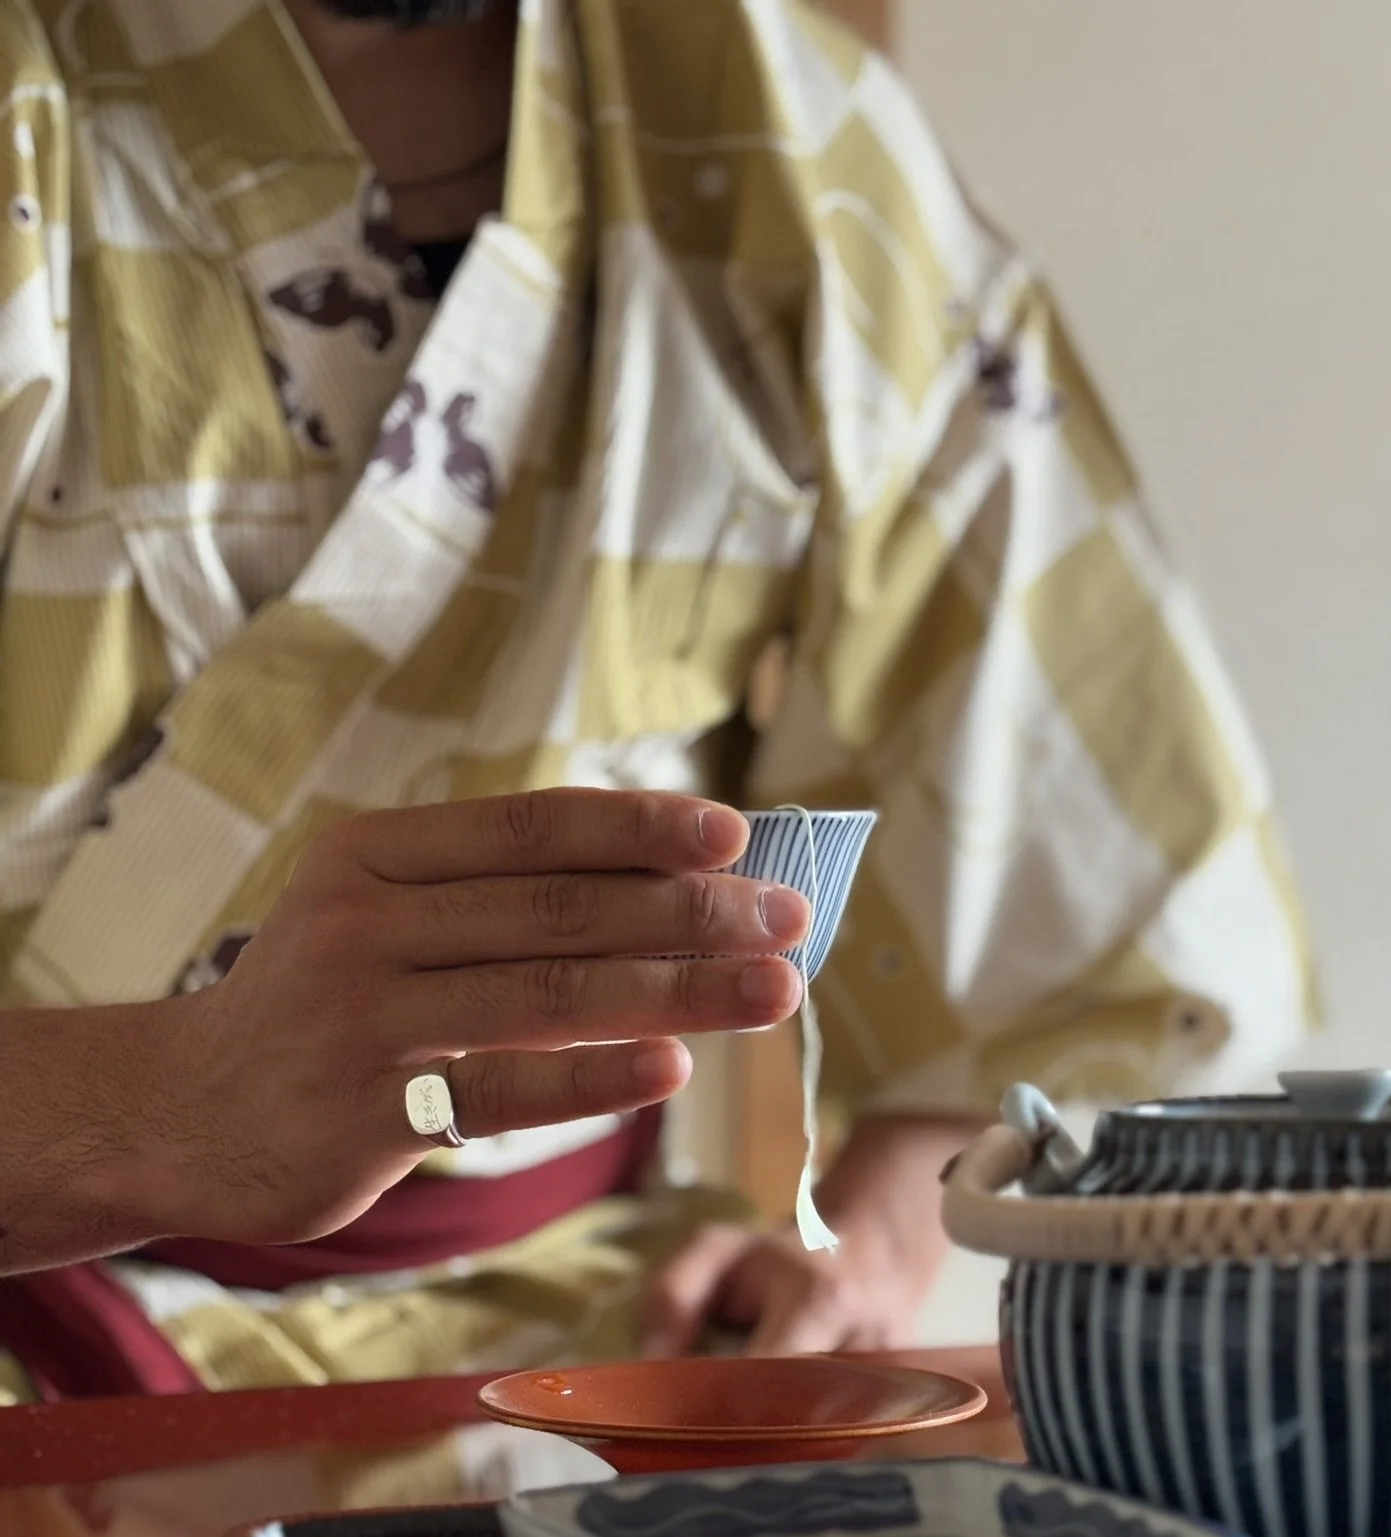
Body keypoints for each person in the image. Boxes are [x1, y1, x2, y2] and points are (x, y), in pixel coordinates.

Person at [0, 0, 1314, 1400]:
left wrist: (853, 1252)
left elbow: (1088, 925)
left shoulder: (789, 144)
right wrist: (170, 1103)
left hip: (597, 1353)